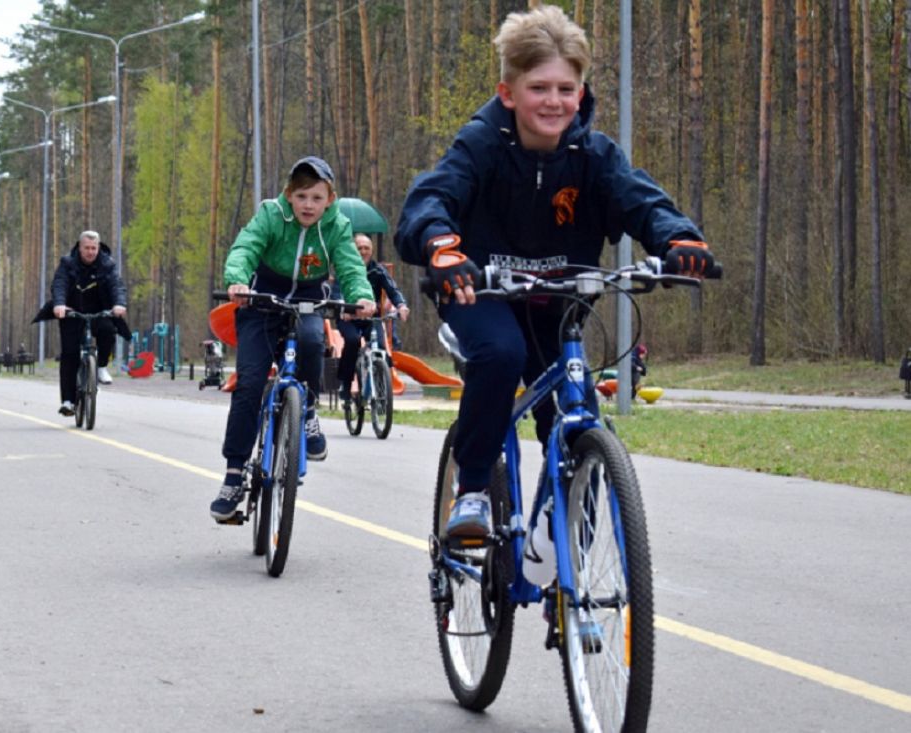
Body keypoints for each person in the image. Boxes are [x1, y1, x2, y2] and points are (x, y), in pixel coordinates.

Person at [394, 5, 718, 538]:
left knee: (572, 409)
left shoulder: (593, 155)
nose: (554, 101)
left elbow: (641, 200)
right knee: (502, 356)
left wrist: (678, 239)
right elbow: (431, 199)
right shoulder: (480, 145)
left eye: (566, 89)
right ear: (509, 93)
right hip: (481, 294)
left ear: (582, 91)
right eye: (539, 88)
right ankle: (472, 488)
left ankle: (573, 557)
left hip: (558, 302)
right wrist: (441, 248)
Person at [210, 156, 376, 520]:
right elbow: (246, 247)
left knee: (314, 343)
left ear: (330, 198)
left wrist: (360, 295)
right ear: (289, 195)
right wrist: (237, 279)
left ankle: (309, 409)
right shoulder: (271, 214)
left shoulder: (337, 226)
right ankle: (234, 473)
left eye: (317, 198)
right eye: (301, 196)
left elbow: (349, 264)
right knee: (250, 383)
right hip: (261, 299)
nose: (308, 205)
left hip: (308, 299)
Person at [51, 230, 128, 416]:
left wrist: (119, 304)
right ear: (80, 247)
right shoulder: (67, 263)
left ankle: (100, 366)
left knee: (108, 330)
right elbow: (59, 284)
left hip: (98, 312)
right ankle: (68, 401)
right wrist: (60, 304)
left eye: (94, 248)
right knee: (70, 355)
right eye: (87, 248)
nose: (90, 252)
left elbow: (116, 285)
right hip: (72, 313)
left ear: (99, 248)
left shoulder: (107, 264)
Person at [335, 232, 410, 401]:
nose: (363, 251)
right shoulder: (344, 268)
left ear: (372, 250)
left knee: (382, 347)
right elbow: (336, 293)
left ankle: (380, 381)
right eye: (359, 248)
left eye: (366, 248)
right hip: (349, 318)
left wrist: (401, 305)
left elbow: (392, 289)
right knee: (353, 342)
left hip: (371, 318)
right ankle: (346, 384)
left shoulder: (378, 270)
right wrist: (343, 309)